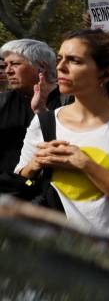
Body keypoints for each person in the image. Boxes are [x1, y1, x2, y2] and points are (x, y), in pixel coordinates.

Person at [15, 31, 109, 239]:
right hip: (62, 255)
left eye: (74, 61)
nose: (61, 67)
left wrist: (86, 164)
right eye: (60, 58)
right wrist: (35, 165)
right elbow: (19, 185)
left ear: (105, 75)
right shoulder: (44, 123)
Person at [0, 39, 60, 194]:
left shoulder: (70, 101)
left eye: (15, 64)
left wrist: (42, 113)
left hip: (54, 199)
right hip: (9, 195)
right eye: (5, 65)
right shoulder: (3, 102)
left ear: (41, 67)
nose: (8, 71)